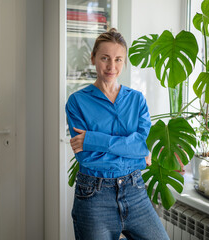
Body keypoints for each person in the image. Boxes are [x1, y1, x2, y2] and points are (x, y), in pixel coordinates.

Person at [66, 28, 169, 240]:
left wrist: (93, 139)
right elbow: (87, 157)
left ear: (124, 62)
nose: (112, 66)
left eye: (118, 59)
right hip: (94, 196)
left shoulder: (137, 100)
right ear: (93, 58)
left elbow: (140, 145)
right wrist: (135, 154)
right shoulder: (77, 102)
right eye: (105, 58)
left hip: (135, 191)